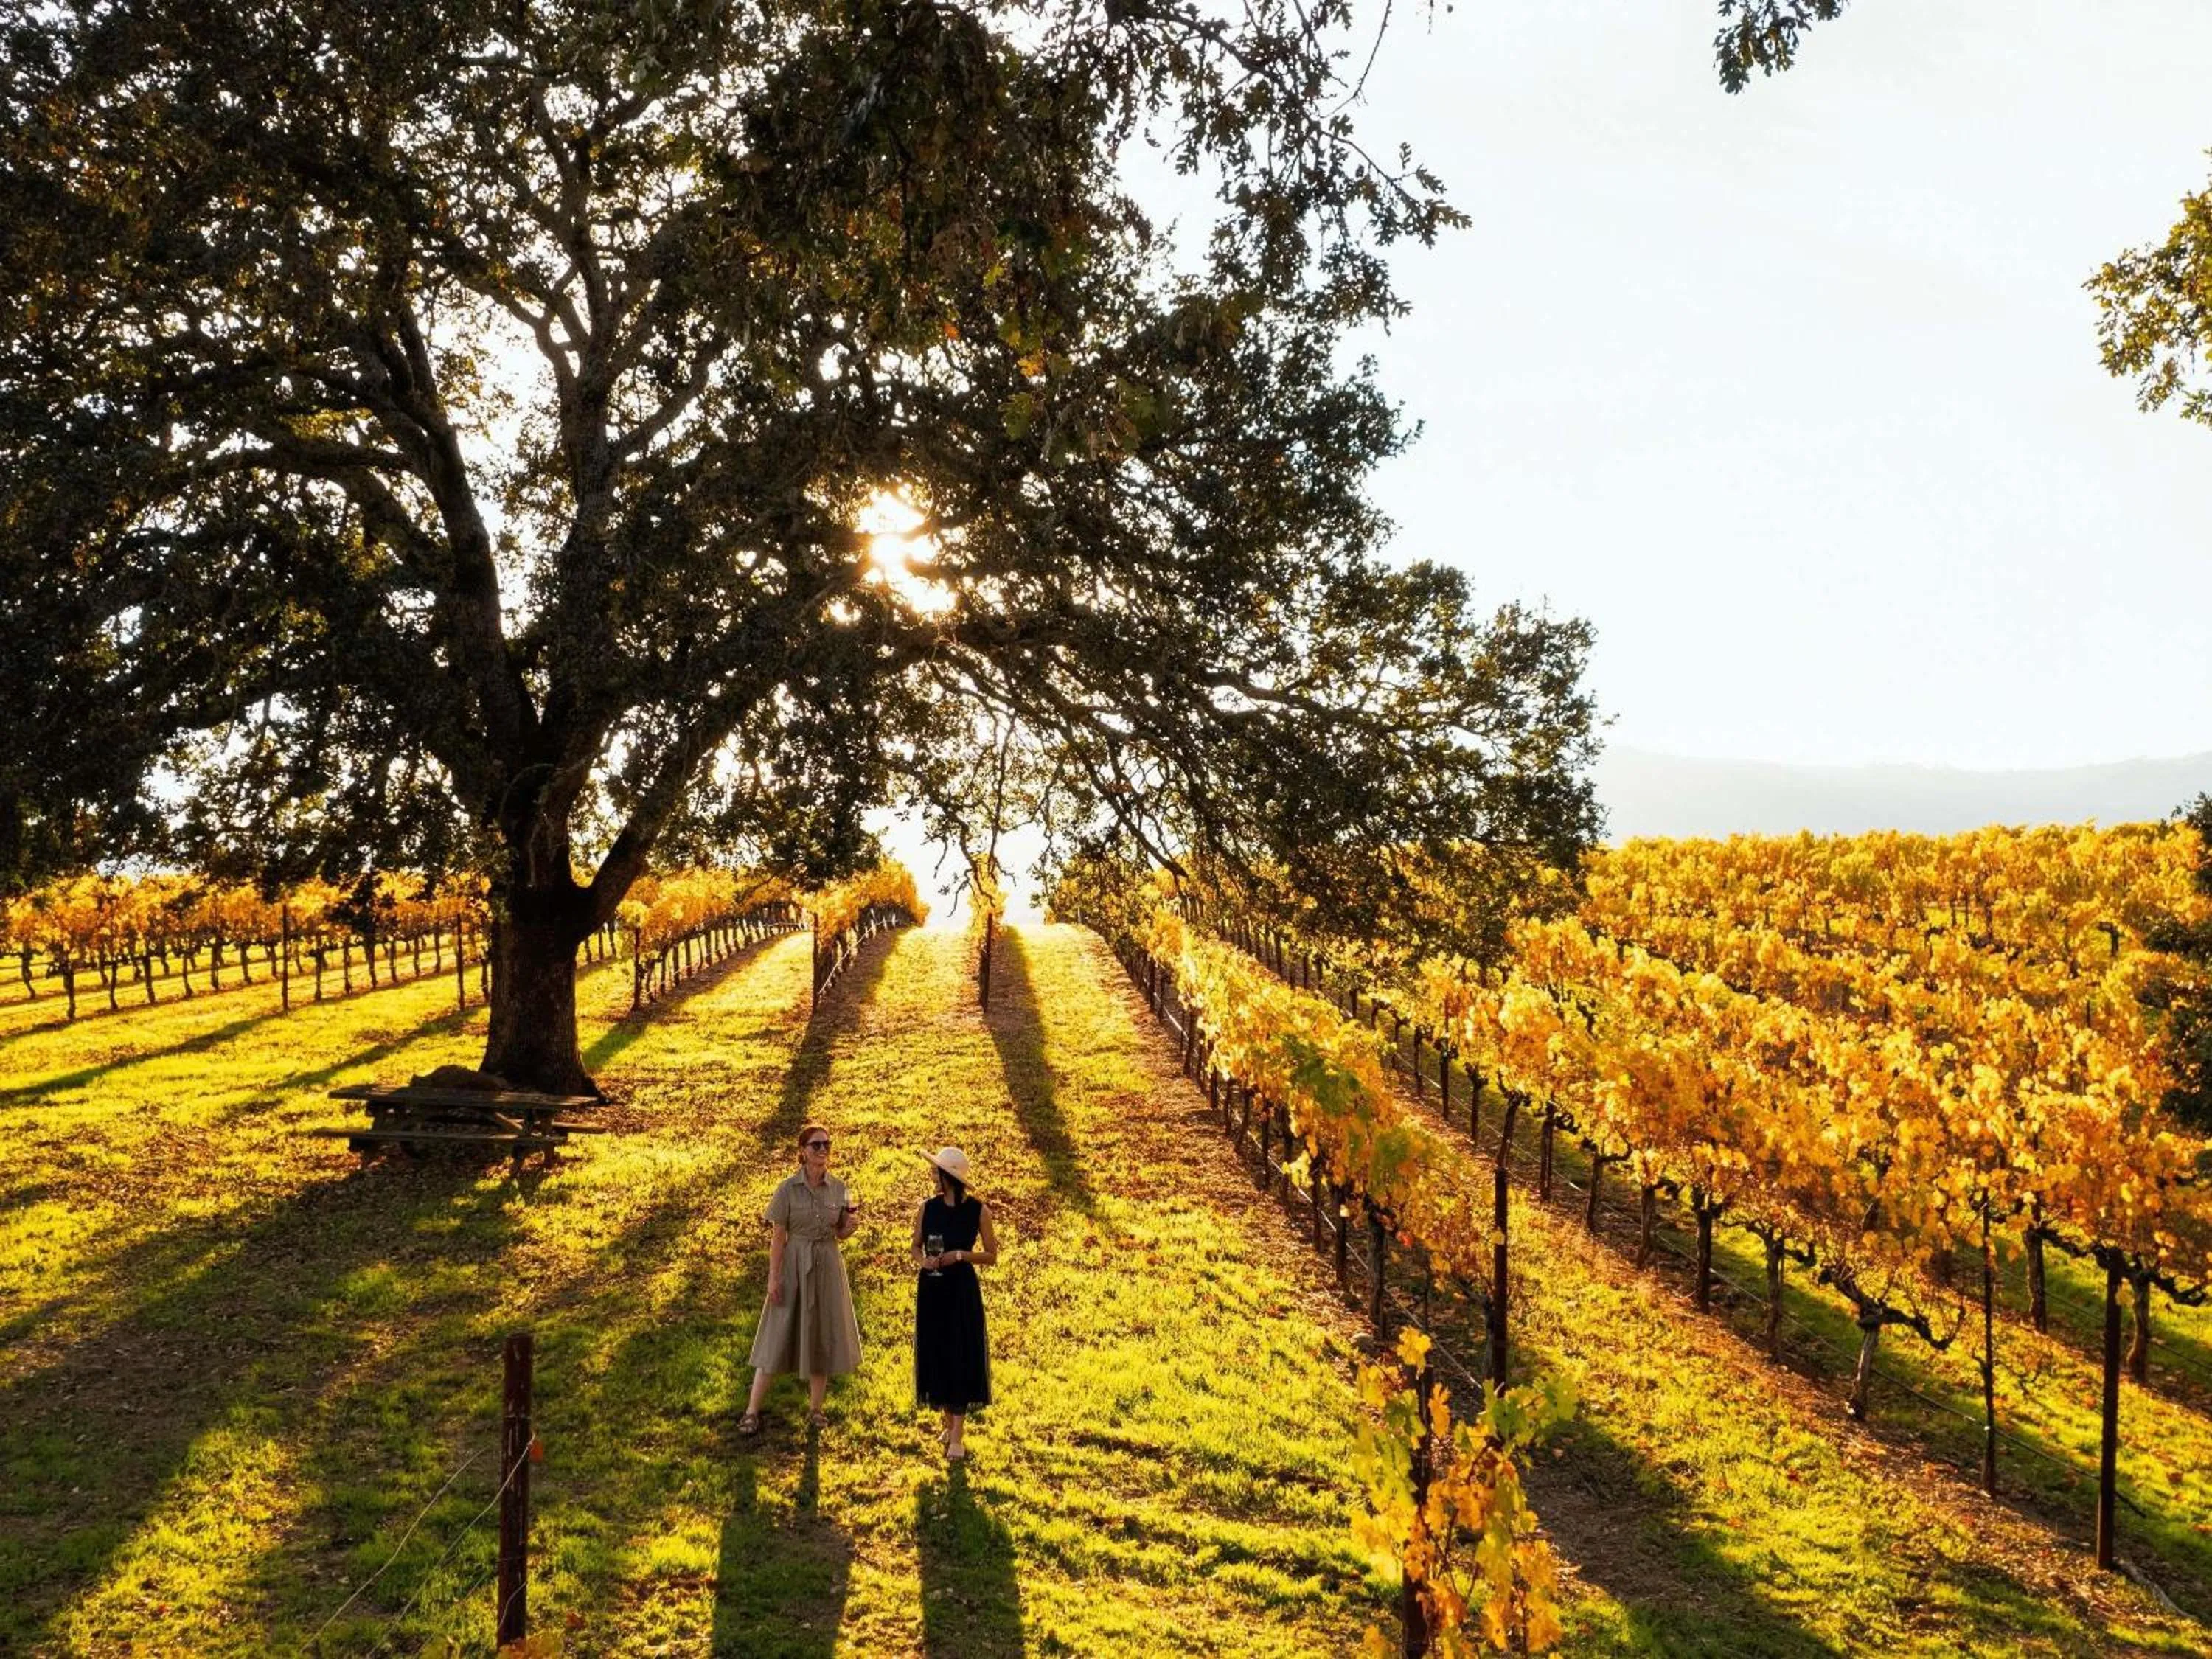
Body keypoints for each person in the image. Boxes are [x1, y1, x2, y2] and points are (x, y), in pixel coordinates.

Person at [740, 1124, 863, 1435]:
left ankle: (816, 1409)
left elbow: (840, 1232)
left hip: (828, 1266)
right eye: (816, 1145)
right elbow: (778, 1237)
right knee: (776, 1335)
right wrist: (773, 1277)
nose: (822, 1150)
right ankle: (752, 1411)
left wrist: (848, 1230)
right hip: (794, 1264)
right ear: (802, 1152)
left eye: (826, 1144)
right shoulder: (787, 1189)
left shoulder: (839, 1188)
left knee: (821, 1335)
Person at [912, 1145, 997, 1461]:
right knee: (938, 1353)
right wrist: (923, 1261)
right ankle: (949, 1422)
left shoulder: (978, 1211)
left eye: (936, 1172)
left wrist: (960, 1255)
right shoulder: (927, 1208)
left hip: (961, 1291)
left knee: (960, 1354)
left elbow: (991, 1254)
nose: (932, 1176)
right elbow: (916, 1246)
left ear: (949, 1177)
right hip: (932, 1289)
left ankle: (958, 1436)